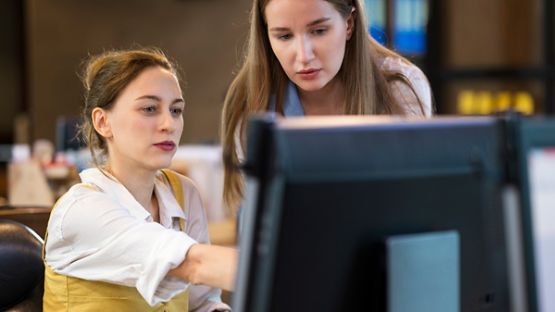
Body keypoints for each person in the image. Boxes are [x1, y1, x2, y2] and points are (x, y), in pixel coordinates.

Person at [43, 48, 237, 311]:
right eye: (149, 108)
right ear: (102, 122)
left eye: (176, 110)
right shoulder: (79, 210)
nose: (169, 124)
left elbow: (201, 303)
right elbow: (192, 264)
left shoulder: (184, 193)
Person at [221, 0, 433, 211]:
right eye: (284, 36)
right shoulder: (251, 102)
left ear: (349, 24)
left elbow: (415, 205)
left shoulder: (399, 88)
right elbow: (258, 220)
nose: (304, 56)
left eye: (319, 31)